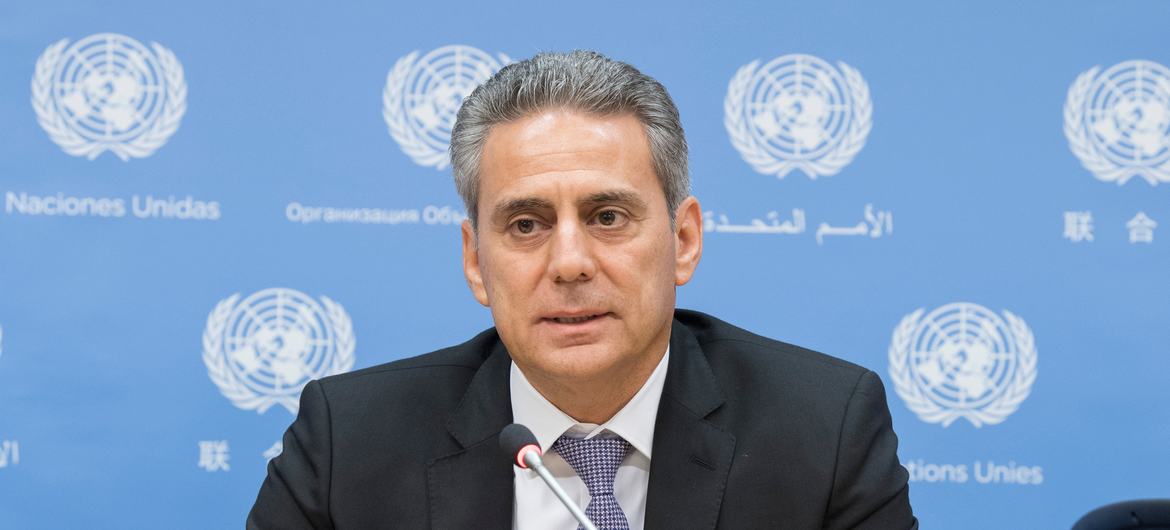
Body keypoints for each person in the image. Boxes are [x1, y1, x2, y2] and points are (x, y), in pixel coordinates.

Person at [247, 50, 916, 529]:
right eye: (527, 224)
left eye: (608, 217)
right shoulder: (347, 443)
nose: (569, 263)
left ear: (684, 241)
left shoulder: (823, 431)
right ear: (475, 261)